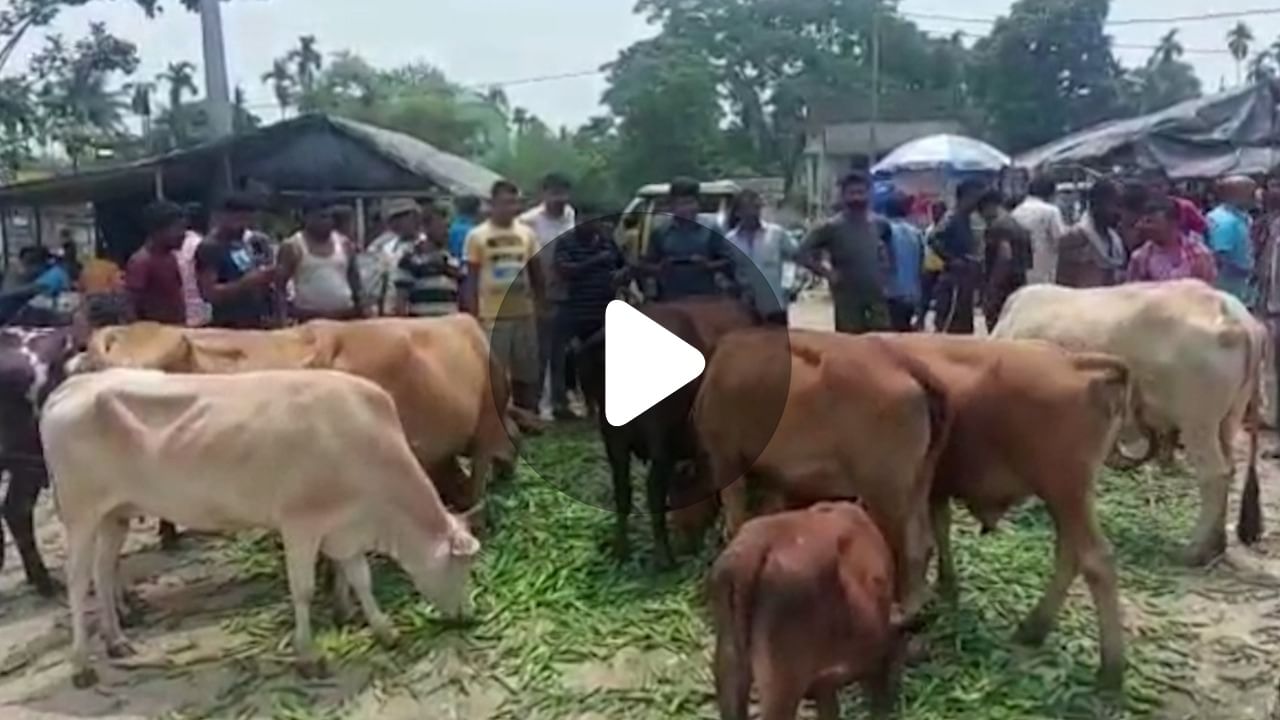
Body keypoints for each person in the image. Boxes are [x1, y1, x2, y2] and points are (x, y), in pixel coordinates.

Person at [465, 180, 544, 412]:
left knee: (526, 370)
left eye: (515, 202)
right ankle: (495, 415)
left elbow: (536, 271)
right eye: (506, 202)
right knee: (494, 370)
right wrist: (472, 313)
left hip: (523, 312)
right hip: (492, 314)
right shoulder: (477, 236)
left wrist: (541, 304)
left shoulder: (527, 234)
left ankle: (527, 412)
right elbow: (471, 277)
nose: (511, 208)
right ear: (492, 204)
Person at [799, 171, 891, 334]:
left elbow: (888, 249)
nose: (857, 198)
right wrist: (828, 273)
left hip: (876, 295)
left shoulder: (880, 224)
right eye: (852, 193)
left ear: (869, 194)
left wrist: (885, 271)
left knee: (881, 342)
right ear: (843, 196)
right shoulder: (831, 227)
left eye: (861, 193)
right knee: (850, 344)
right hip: (847, 296)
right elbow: (801, 252)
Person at [520, 173, 578, 420]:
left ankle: (560, 400)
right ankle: (539, 406)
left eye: (563, 193)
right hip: (537, 291)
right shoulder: (528, 221)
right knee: (540, 350)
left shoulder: (570, 215)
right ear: (543, 194)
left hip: (566, 292)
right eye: (554, 193)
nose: (559, 199)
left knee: (562, 351)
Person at [643, 177, 731, 301]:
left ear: (698, 204)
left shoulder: (711, 228)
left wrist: (708, 265)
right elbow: (646, 265)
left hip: (706, 298)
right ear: (671, 206)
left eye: (690, 203)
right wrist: (661, 268)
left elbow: (728, 261)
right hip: (671, 299)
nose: (686, 209)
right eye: (680, 204)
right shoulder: (661, 232)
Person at [196, 193, 276, 329]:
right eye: (238, 219)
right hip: (229, 324)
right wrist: (245, 283)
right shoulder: (210, 247)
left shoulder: (249, 242)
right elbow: (209, 294)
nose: (243, 225)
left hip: (257, 320)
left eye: (248, 220)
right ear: (222, 217)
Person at [278, 198, 363, 322]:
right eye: (321, 217)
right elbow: (280, 286)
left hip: (344, 315)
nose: (326, 221)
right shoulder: (293, 245)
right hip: (308, 318)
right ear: (306, 218)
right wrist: (282, 317)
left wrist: (361, 308)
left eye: (329, 217)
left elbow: (354, 279)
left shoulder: (344, 243)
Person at [726, 188, 794, 326]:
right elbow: (729, 270)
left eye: (756, 207)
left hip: (774, 303)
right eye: (747, 208)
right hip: (745, 306)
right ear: (738, 212)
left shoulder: (776, 234)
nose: (752, 212)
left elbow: (794, 258)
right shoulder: (730, 240)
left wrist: (789, 285)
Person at [929, 179, 986, 334]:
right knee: (949, 321)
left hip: (966, 277)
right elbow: (933, 239)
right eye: (975, 196)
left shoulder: (970, 219)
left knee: (964, 322)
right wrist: (952, 259)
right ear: (965, 196)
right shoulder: (952, 217)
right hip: (954, 278)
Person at [1126, 195, 1217, 284]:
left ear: (1173, 223)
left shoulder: (1198, 255)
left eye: (1150, 222)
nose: (1141, 226)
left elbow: (1207, 290)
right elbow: (1133, 293)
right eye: (1143, 221)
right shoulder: (1141, 258)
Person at [124, 200, 188, 326]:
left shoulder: (170, 257)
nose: (183, 234)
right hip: (156, 336)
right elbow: (130, 307)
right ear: (157, 231)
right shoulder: (141, 262)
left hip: (176, 330)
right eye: (177, 229)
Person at [1056, 179, 1128, 288]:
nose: (1120, 212)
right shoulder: (1075, 239)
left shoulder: (1116, 241)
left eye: (1122, 206)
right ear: (1096, 204)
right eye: (1115, 204)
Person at [395, 202, 461, 318]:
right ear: (426, 227)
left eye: (447, 227)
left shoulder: (451, 259)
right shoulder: (411, 259)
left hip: (449, 325)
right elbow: (401, 299)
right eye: (441, 227)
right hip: (422, 326)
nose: (446, 232)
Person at [978, 190, 1033, 330]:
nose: (982, 217)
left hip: (1002, 289)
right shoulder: (1019, 227)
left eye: (981, 211)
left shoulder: (998, 227)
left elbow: (1004, 257)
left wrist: (992, 291)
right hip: (1018, 286)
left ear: (989, 206)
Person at [365, 198, 424, 316]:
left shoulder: (427, 244)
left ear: (415, 217)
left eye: (403, 217)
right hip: (391, 310)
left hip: (420, 309)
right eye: (394, 219)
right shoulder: (384, 247)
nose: (398, 222)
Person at [1207, 175, 1258, 304]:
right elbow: (1220, 257)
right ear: (1236, 194)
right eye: (1251, 193)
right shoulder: (1222, 220)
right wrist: (1247, 272)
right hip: (1227, 288)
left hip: (1242, 287)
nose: (1256, 197)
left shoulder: (1243, 216)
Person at [1011, 176, 1067, 285]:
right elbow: (1060, 240)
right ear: (1051, 193)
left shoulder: (1016, 211)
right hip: (1045, 269)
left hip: (1021, 271)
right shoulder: (1051, 211)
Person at [882, 191, 924, 331]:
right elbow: (921, 266)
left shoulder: (883, 231)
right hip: (911, 295)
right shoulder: (916, 233)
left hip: (889, 294)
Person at [1142, 169, 1209, 239]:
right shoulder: (1141, 208)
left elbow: (1202, 228)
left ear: (1167, 186)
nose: (1155, 190)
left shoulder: (1184, 206)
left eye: (1159, 186)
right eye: (1152, 186)